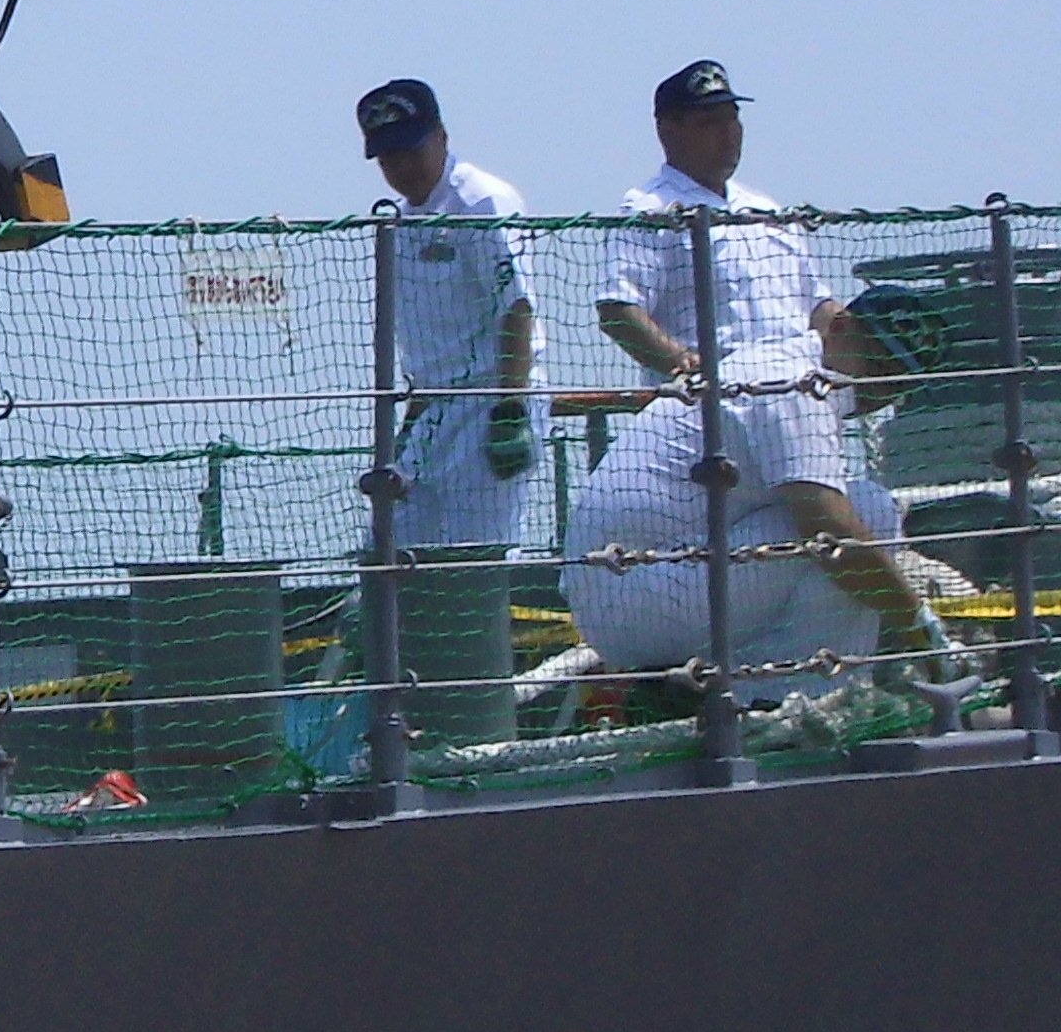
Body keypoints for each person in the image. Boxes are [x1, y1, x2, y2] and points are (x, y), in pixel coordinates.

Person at [563, 58, 932, 686]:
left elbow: (820, 308)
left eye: (732, 118)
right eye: (709, 120)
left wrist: (878, 352)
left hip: (796, 405)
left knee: (860, 507)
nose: (728, 133)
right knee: (835, 521)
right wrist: (681, 363)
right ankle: (794, 689)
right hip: (716, 427)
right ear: (668, 129)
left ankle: (800, 686)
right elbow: (619, 311)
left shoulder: (767, 211)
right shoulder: (651, 209)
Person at [353, 77, 546, 550]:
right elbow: (426, 341)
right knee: (390, 549)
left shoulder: (480, 201)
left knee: (475, 554)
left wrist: (510, 409)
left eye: (410, 150)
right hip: (430, 410)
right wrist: (410, 422)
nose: (401, 167)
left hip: (488, 402)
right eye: (388, 158)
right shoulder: (400, 223)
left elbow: (516, 307)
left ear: (441, 137)